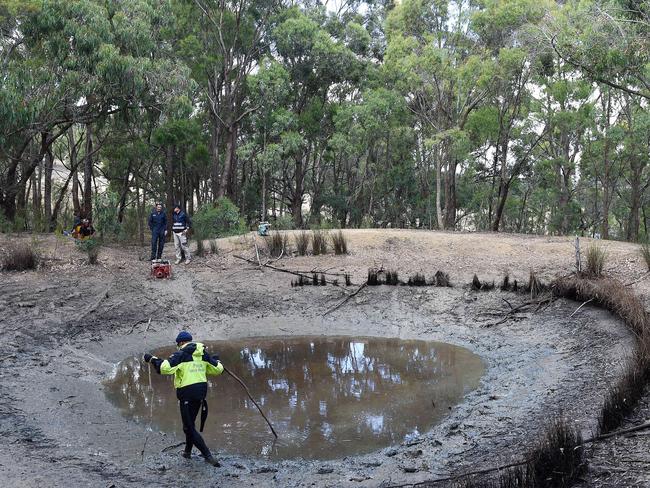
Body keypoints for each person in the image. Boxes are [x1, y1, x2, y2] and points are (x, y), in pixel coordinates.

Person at [144, 331, 223, 466]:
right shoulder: (202, 353)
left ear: (181, 343)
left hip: (187, 393)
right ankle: (187, 452)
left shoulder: (181, 354)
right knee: (190, 424)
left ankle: (208, 456)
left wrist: (151, 359)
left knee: (188, 428)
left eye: (178, 344)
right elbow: (218, 369)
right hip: (200, 393)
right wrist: (216, 360)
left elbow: (164, 368)